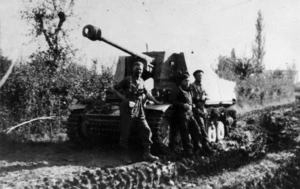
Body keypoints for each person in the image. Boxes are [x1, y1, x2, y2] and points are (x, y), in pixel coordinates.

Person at [111, 61, 162, 163]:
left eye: (140, 70)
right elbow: (113, 89)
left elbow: (147, 93)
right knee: (125, 132)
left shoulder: (142, 81)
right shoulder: (127, 80)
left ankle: (147, 153)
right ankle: (124, 155)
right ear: (133, 70)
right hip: (127, 108)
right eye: (137, 69)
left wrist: (156, 101)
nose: (139, 71)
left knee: (146, 130)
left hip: (139, 108)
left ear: (142, 71)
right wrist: (124, 99)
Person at [170, 72, 211, 156]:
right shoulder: (177, 90)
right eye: (185, 81)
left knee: (197, 131)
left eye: (188, 81)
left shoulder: (188, 90)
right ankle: (188, 151)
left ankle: (197, 149)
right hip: (182, 115)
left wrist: (192, 105)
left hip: (190, 114)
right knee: (185, 133)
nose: (187, 82)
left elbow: (192, 100)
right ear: (181, 81)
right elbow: (172, 101)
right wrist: (182, 105)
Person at [190, 70, 209, 141]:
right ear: (195, 77)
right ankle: (205, 142)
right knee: (201, 126)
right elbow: (192, 97)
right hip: (196, 107)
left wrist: (205, 97)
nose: (200, 77)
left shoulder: (202, 86)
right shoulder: (192, 85)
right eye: (198, 76)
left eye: (201, 75)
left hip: (202, 107)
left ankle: (204, 141)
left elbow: (206, 94)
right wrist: (201, 97)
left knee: (205, 125)